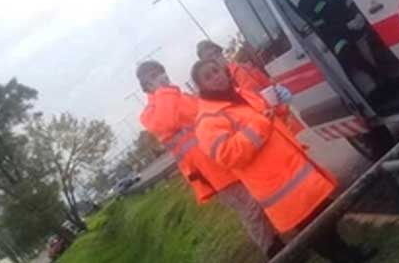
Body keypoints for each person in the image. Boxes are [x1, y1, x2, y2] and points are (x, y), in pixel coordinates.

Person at [191, 59, 375, 263]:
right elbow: (229, 155)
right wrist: (260, 123)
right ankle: (345, 258)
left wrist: (278, 107)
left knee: (324, 216)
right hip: (278, 186)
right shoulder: (207, 121)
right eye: (207, 77)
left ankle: (346, 252)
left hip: (294, 171)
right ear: (201, 87)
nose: (215, 77)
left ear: (224, 71)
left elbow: (270, 118)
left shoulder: (241, 94)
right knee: (313, 229)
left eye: (216, 71)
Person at [136, 61, 284, 258]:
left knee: (259, 201)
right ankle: (274, 251)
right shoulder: (149, 114)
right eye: (153, 76)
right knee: (250, 209)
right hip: (212, 173)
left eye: (161, 71)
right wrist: (162, 92)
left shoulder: (183, 97)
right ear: (146, 86)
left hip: (228, 158)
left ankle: (278, 243)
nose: (161, 76)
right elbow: (166, 122)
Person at [290, 0, 380, 94]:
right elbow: (321, 29)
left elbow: (351, 0)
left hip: (358, 23)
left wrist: (358, 14)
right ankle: (376, 82)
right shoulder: (304, 6)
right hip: (338, 36)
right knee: (347, 53)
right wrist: (346, 27)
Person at [196, 40, 305, 135]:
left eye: (217, 52)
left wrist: (280, 90)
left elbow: (270, 86)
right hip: (263, 136)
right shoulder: (218, 94)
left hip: (288, 125)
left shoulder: (245, 68)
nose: (216, 57)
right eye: (210, 56)